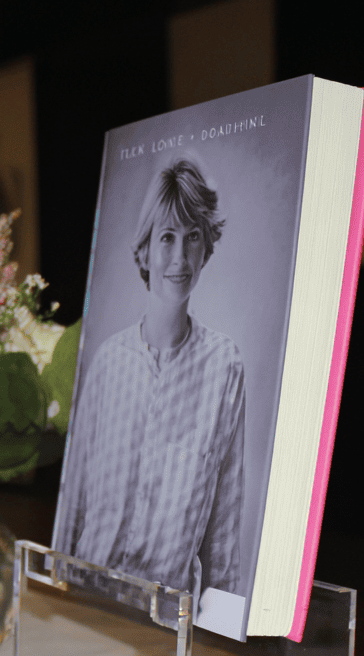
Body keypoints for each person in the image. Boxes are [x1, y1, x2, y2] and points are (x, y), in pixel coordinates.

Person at [54, 156, 245, 599]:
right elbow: (72, 503)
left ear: (206, 247)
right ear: (144, 249)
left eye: (191, 237)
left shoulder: (225, 366)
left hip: (164, 627)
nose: (179, 257)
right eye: (166, 238)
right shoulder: (106, 362)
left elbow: (224, 527)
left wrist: (223, 637)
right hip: (87, 603)